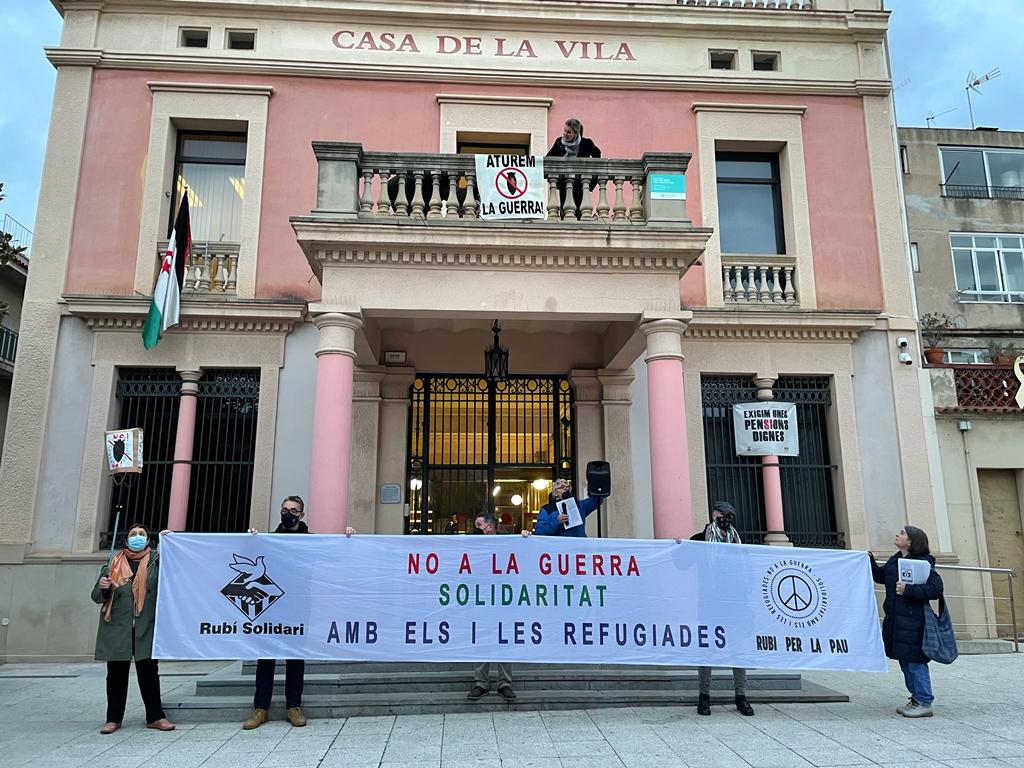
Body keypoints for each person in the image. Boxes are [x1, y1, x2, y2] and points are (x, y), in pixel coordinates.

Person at [243, 495, 355, 730]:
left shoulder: (310, 542)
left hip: (298, 607)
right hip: (270, 606)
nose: (288, 513)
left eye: (294, 510)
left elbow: (336, 555)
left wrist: (347, 538)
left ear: (301, 515)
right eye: (285, 509)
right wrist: (252, 538)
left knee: (295, 658)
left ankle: (293, 706)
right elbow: (246, 553)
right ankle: (260, 708)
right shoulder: (269, 540)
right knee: (266, 658)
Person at [91, 523, 175, 734]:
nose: (137, 537)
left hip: (145, 626)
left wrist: (170, 542)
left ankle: (155, 716)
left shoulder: (157, 561)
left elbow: (176, 571)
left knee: (149, 673)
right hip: (118, 627)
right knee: (116, 675)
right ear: (126, 539)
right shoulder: (113, 562)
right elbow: (96, 597)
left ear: (148, 540)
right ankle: (113, 719)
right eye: (133, 534)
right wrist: (103, 587)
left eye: (141, 534)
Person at [677, 502, 754, 717]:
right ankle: (704, 696)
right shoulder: (700, 540)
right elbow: (681, 563)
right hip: (710, 604)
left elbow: (746, 572)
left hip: (735, 603)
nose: (727, 518)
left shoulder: (737, 541)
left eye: (730, 515)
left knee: (738, 651)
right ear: (714, 515)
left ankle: (740, 696)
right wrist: (680, 547)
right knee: (707, 650)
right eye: (723, 514)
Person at [869, 525, 943, 718]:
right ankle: (916, 699)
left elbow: (935, 590)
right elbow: (882, 577)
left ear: (911, 541)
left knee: (915, 661)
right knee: (905, 661)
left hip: (914, 621)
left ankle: (924, 701)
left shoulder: (923, 563)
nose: (897, 534)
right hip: (897, 619)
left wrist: (908, 590)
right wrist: (869, 561)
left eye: (902, 533)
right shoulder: (896, 559)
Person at [467, 512, 531, 701]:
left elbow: (524, 554)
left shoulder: (508, 542)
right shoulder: (473, 545)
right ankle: (481, 682)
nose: (476, 528)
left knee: (505, 640)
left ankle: (504, 683)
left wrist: (526, 536)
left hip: (503, 600)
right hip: (482, 599)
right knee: (481, 640)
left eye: (479, 525)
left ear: (489, 527)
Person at [546, 118, 602, 217]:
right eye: (564, 130)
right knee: (565, 212)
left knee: (580, 212)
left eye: (569, 132)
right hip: (564, 183)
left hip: (580, 184)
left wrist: (592, 181)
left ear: (576, 133)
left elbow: (597, 156)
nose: (565, 134)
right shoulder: (559, 143)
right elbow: (548, 159)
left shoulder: (586, 143)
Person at [532, 478, 604, 538]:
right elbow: (539, 532)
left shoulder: (580, 505)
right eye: (562, 487)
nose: (565, 489)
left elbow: (597, 499)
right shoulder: (546, 509)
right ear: (554, 493)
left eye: (567, 487)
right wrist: (556, 521)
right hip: (559, 548)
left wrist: (593, 483)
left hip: (579, 547)